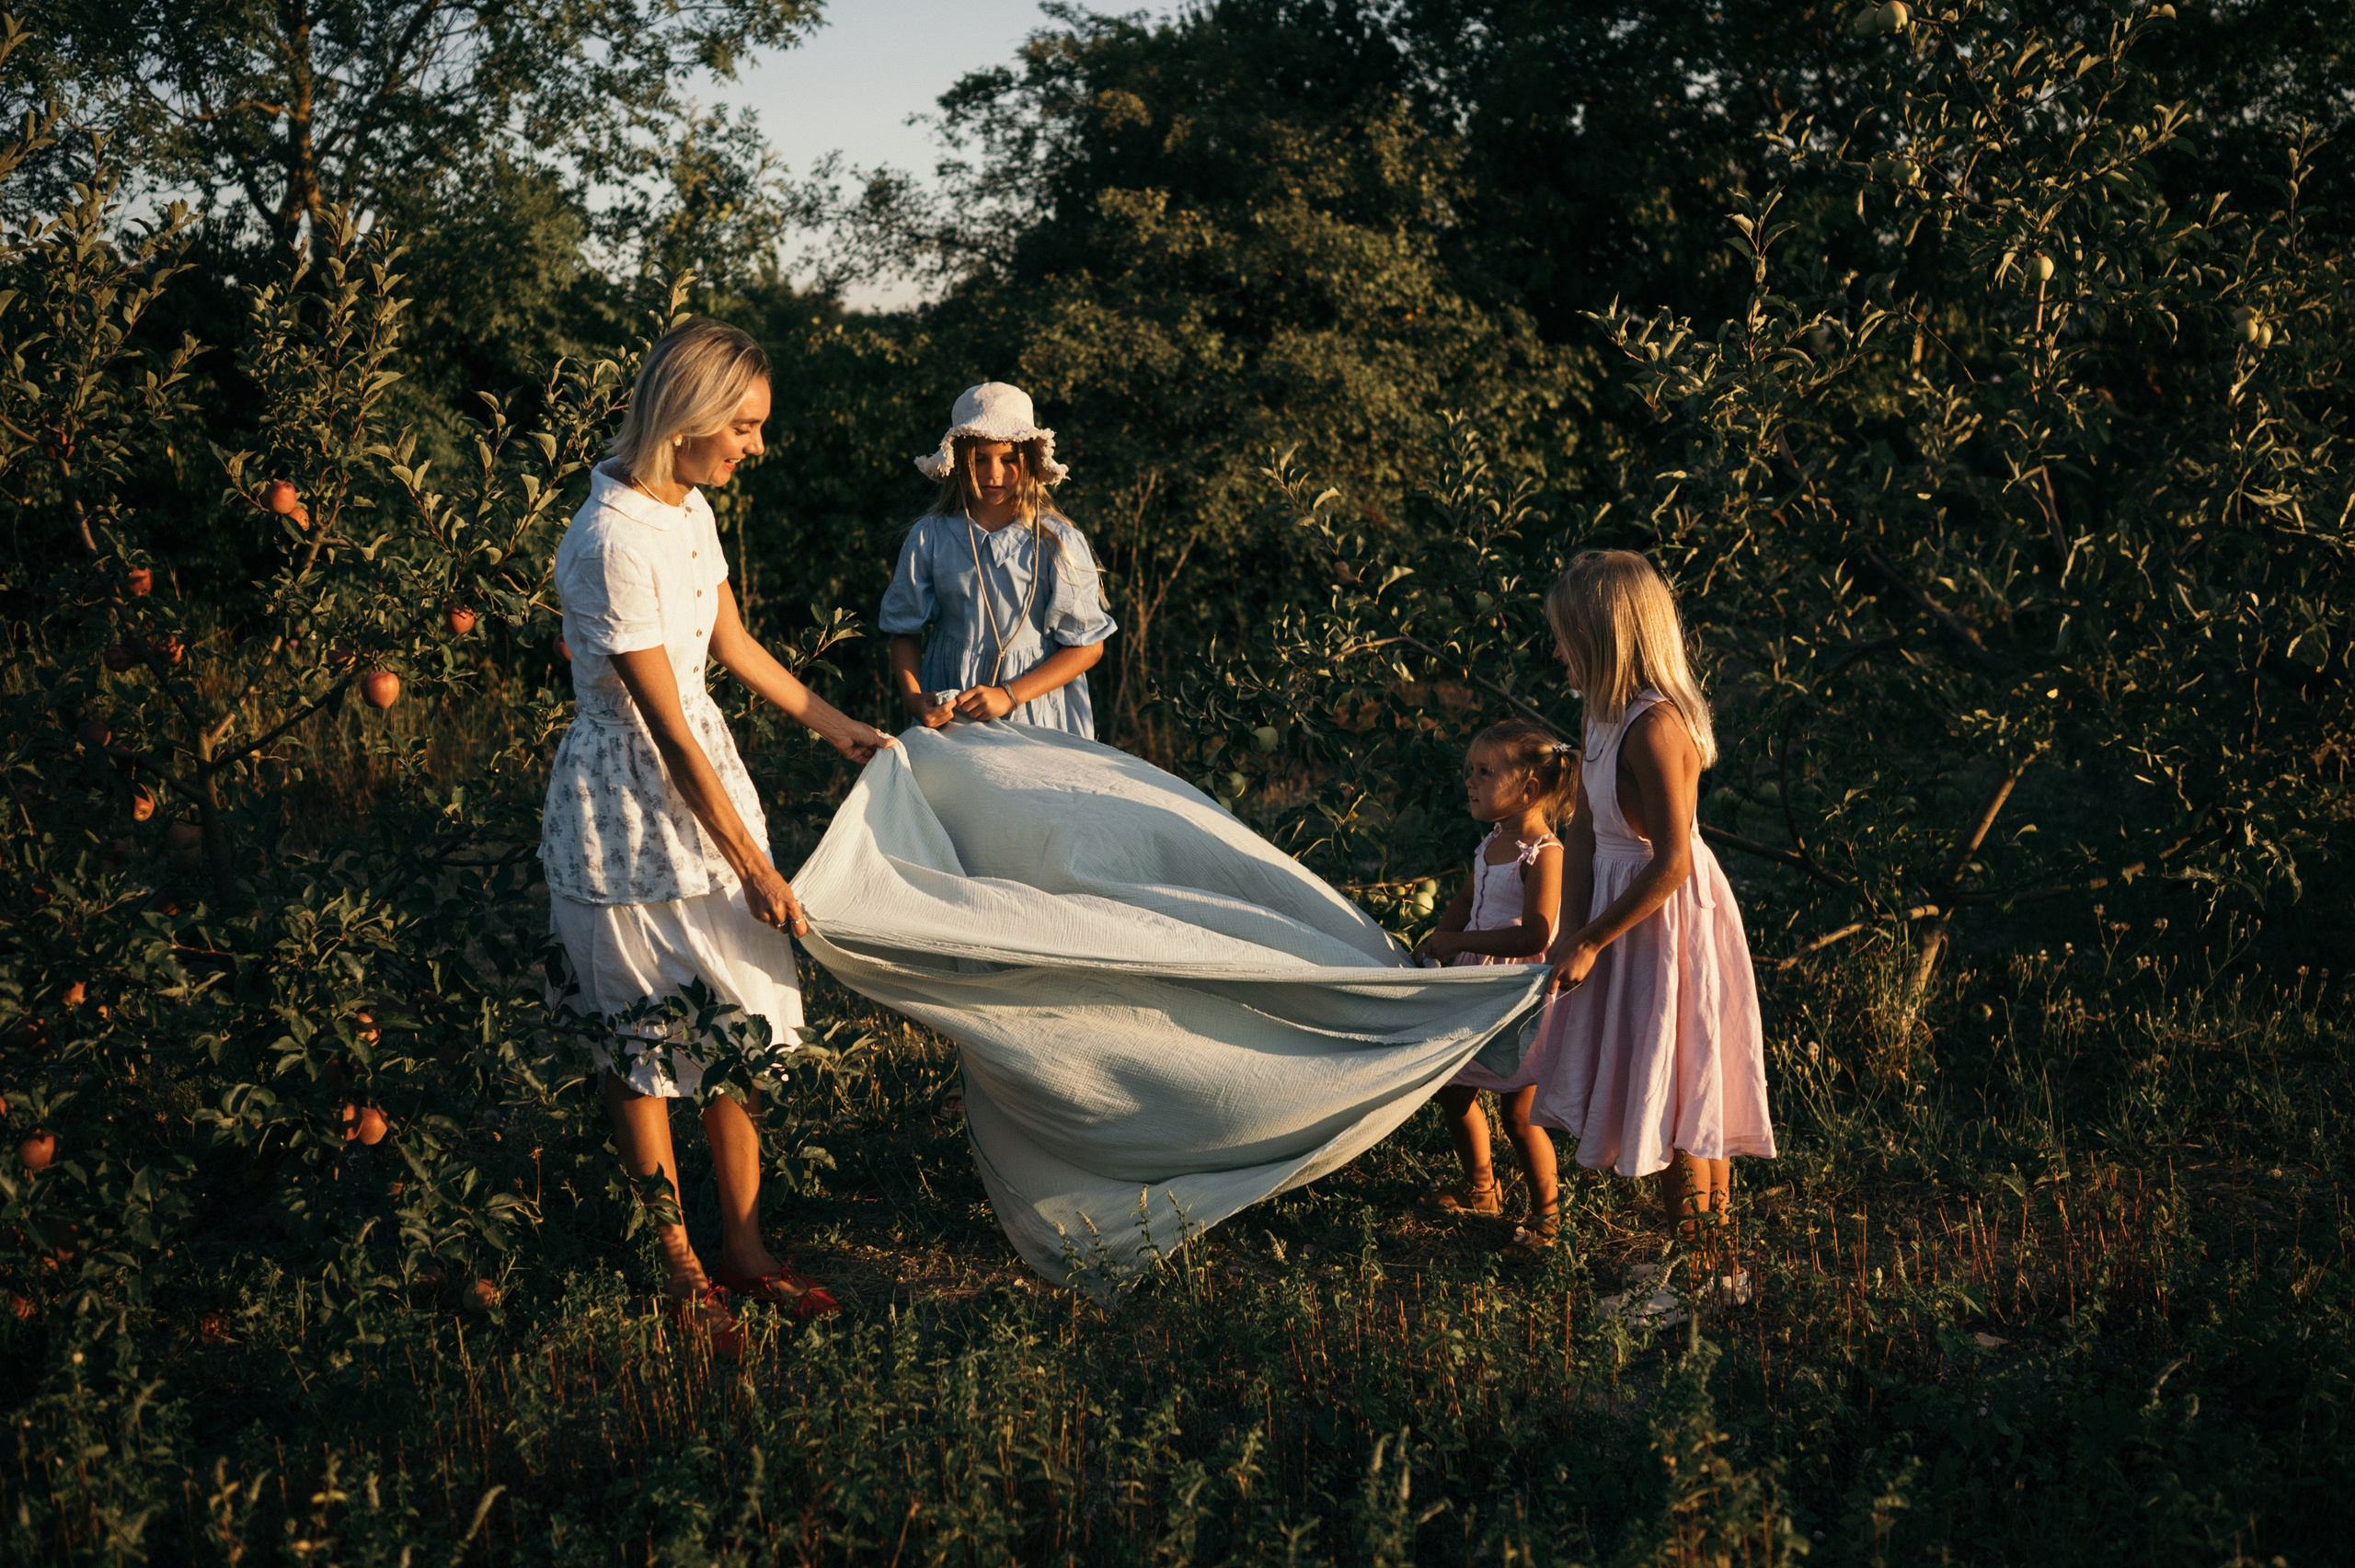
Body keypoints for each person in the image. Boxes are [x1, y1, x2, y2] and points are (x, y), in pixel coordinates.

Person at [540, 318, 896, 1336]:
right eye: (742, 425)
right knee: (640, 1033)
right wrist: (752, 862)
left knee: (734, 1021)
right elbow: (665, 731)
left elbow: (731, 643)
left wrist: (841, 730)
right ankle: (678, 1262)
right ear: (687, 419)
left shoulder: (688, 507)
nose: (755, 446)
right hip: (626, 804)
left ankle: (743, 1245)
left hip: (703, 778)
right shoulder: (607, 541)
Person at [1537, 550, 1775, 1287]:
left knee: (1679, 1092)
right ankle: (1709, 1267)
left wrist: (1599, 934)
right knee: (1667, 1082)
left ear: (1608, 636)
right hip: (1618, 916)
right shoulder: (1601, 715)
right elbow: (1583, 828)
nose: (1557, 651)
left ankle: (1706, 1274)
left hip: (1666, 921)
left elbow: (1671, 860)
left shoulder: (1654, 727)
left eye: (1567, 636)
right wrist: (1570, 929)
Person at [1413, 721, 1575, 1258]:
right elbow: (1466, 898)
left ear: (1528, 788)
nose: (1470, 782)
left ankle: (1547, 1218)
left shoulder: (1544, 853)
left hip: (1513, 992)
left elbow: (1537, 931)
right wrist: (1440, 936)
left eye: (1485, 772)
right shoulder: (1491, 843)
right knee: (1454, 1090)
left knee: (1518, 1111)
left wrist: (1460, 937)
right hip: (1473, 981)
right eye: (1470, 771)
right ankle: (1481, 1187)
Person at [881, 383, 1117, 737]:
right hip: (955, 716)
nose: (993, 474)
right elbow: (904, 631)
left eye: (1008, 460)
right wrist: (914, 699)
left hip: (1036, 713)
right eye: (979, 459)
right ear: (959, 461)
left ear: (1030, 462)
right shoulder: (931, 538)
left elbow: (1086, 647)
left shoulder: (1057, 543)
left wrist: (1010, 695)